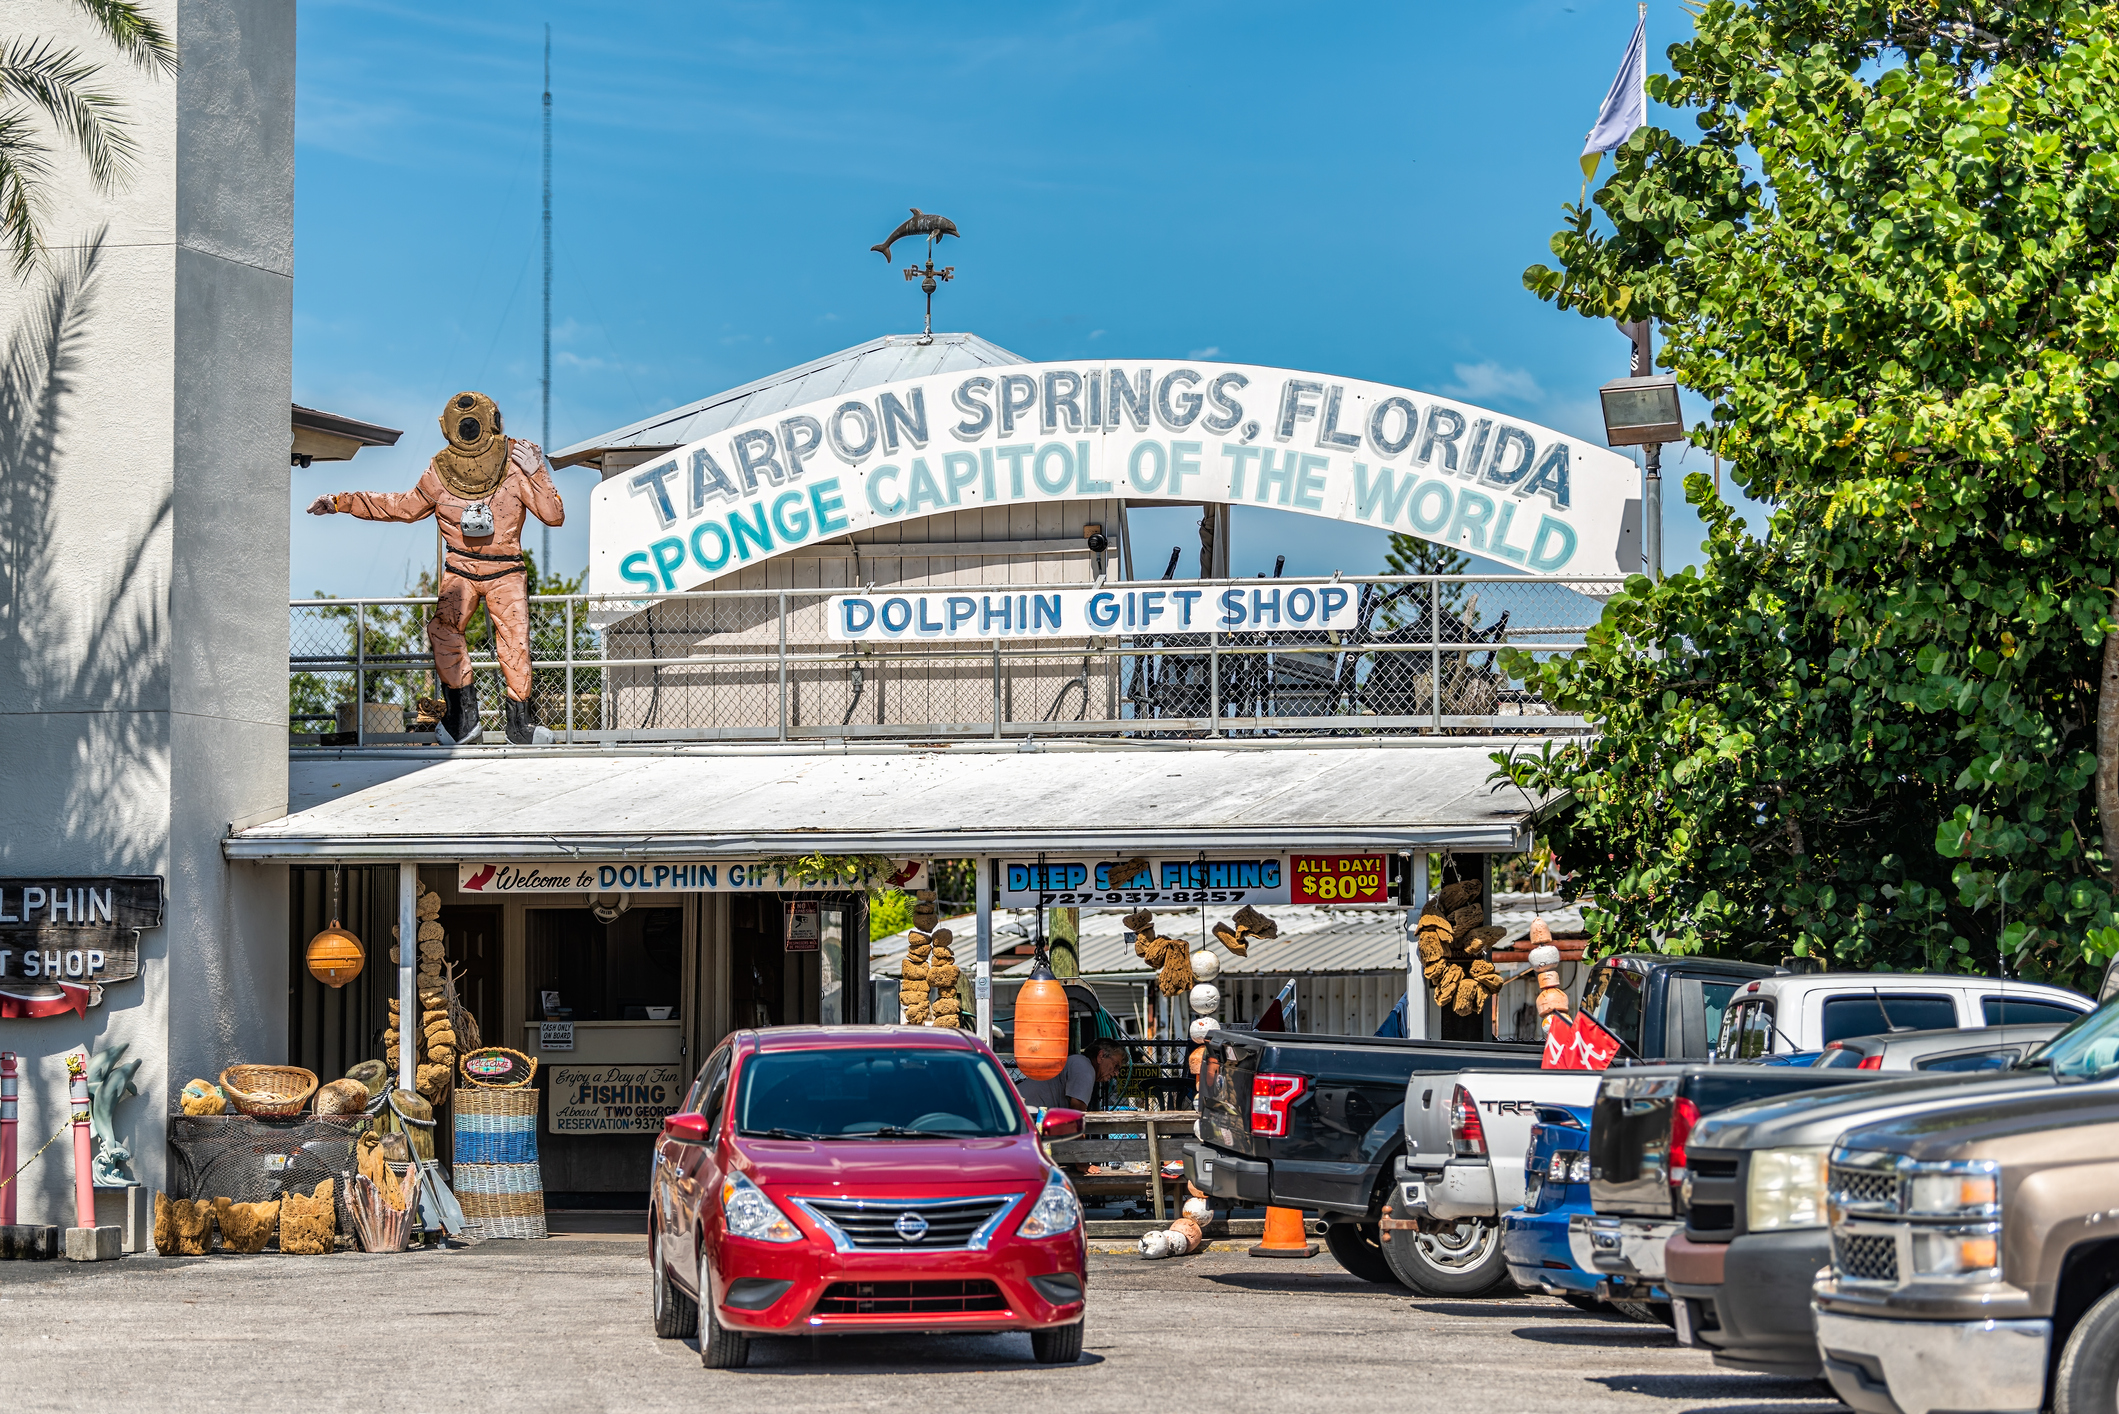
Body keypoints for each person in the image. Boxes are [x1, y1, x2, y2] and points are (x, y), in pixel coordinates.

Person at [308, 391, 565, 746]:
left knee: (515, 642)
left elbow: (553, 516)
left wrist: (537, 473)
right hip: (460, 570)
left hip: (505, 571)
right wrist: (341, 502)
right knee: (442, 630)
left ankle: (519, 725)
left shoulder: (517, 462)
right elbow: (404, 506)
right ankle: (463, 720)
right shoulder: (441, 470)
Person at [1017, 1035, 1123, 1111]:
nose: (1116, 1073)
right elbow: (1076, 1114)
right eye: (1116, 1066)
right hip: (1023, 1114)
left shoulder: (1080, 1063)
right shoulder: (1085, 1069)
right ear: (1101, 1056)